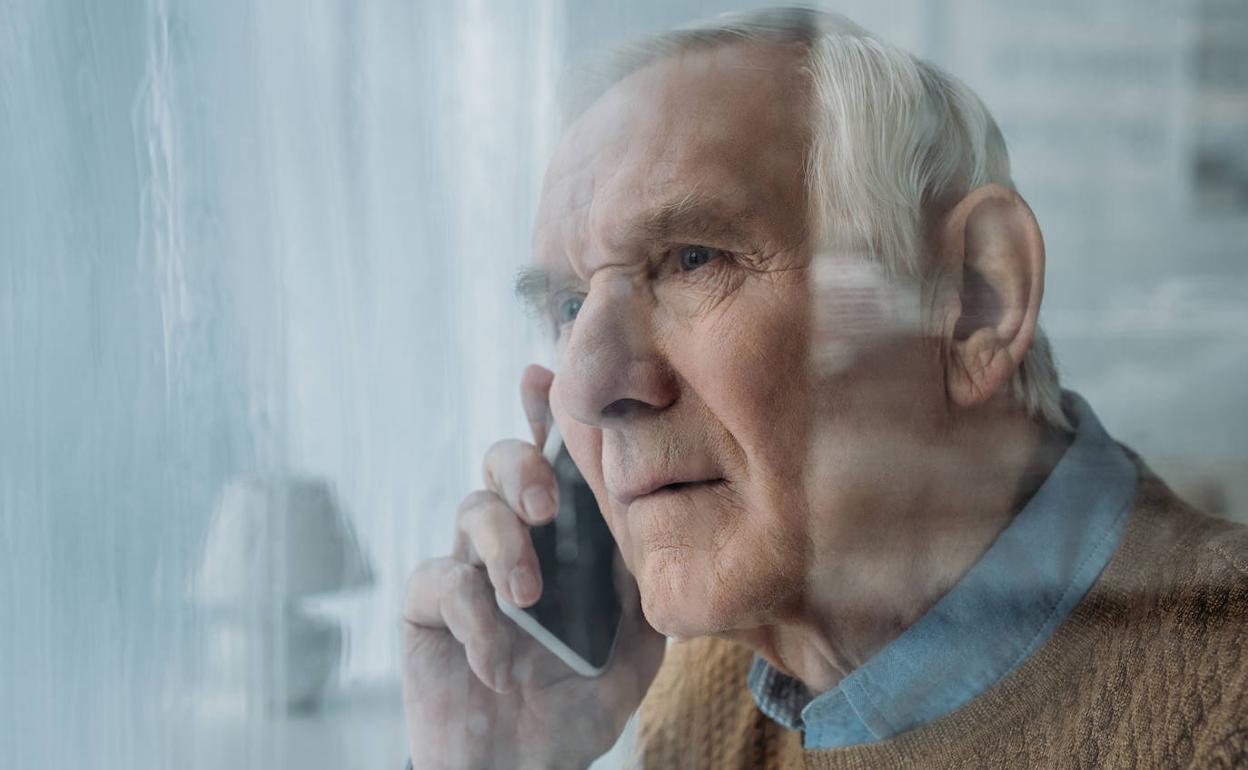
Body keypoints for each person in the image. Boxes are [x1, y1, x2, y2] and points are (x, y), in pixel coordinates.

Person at [401, 8, 1248, 768]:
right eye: (569, 304)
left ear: (974, 299)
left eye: (696, 258)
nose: (583, 389)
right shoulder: (702, 686)